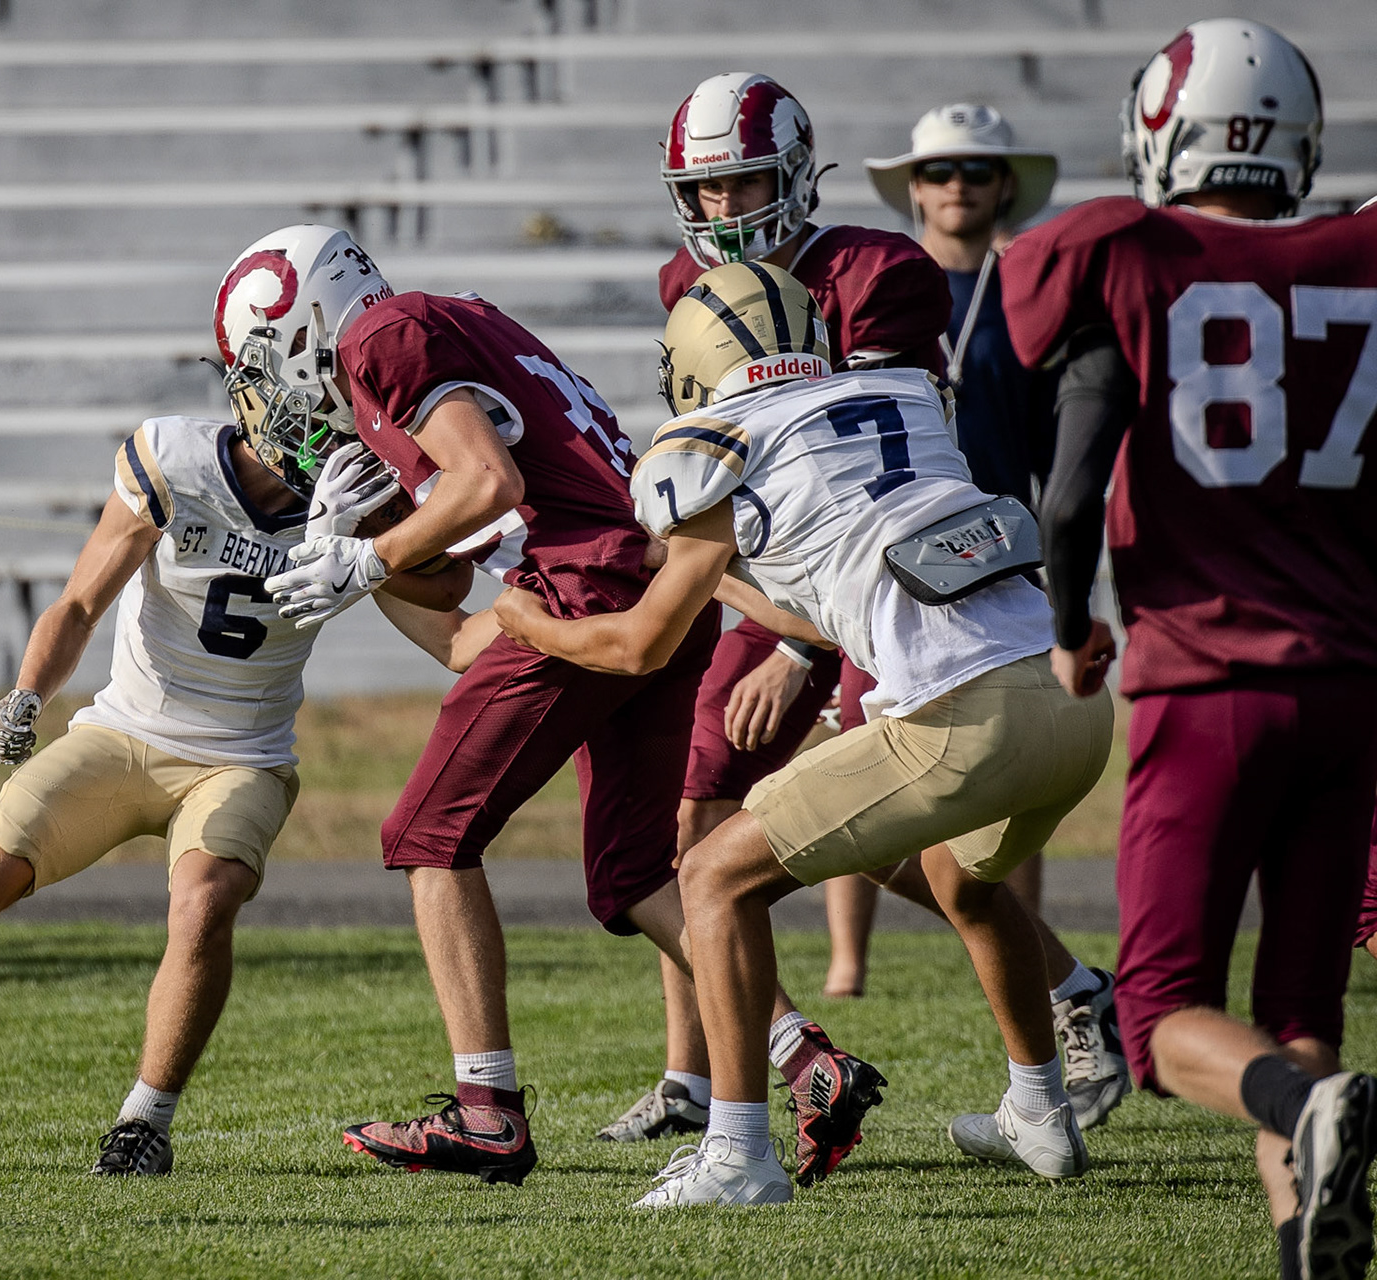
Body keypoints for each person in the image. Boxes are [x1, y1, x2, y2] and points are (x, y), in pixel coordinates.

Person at [497, 261, 1112, 1208]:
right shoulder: (900, 390)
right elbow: (824, 607)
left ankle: (738, 1156)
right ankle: (1040, 1109)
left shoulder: (709, 440)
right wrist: (706, 573)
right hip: (1072, 705)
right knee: (961, 877)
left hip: (963, 720)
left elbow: (639, 646)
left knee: (710, 875)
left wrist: (524, 621)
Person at [0, 406, 451, 1174]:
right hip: (122, 731)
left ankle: (145, 1121)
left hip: (241, 757)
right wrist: (28, 694)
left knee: (204, 900)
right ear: (254, 394)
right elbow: (78, 603)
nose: (321, 433)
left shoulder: (361, 496)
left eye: (329, 412)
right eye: (301, 408)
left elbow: (449, 603)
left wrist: (373, 550)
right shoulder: (175, 460)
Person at [1002, 19, 1377, 1279]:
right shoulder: (1362, 262)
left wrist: (1066, 634)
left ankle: (1306, 1112)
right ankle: (1309, 1248)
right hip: (1348, 686)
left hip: (1208, 681)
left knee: (1161, 1019)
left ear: (1163, 133)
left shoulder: (1131, 259)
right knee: (1299, 1022)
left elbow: (1064, 503)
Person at [228, 223, 718, 1186]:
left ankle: (487, 1113)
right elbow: (455, 606)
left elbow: (492, 481)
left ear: (305, 317)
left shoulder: (382, 337)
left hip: (586, 586)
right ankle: (806, 1058)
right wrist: (365, 533)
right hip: (642, 582)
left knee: (427, 832)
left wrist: (366, 557)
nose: (267, 389)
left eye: (260, 359)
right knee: (629, 875)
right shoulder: (449, 327)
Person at [815, 104, 1060, 982]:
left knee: (1019, 761)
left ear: (1005, 188)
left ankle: (1027, 948)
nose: (957, 185)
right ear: (914, 188)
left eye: (977, 171)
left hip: (1000, 541)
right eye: (940, 171)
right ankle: (849, 961)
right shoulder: (877, 281)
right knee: (861, 738)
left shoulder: (1032, 284)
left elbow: (1056, 438)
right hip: (894, 541)